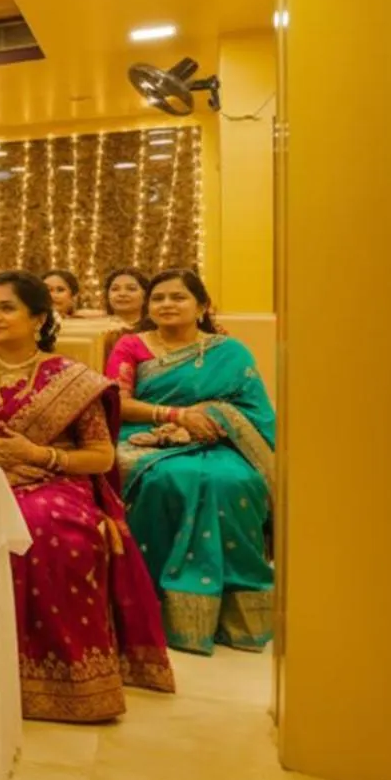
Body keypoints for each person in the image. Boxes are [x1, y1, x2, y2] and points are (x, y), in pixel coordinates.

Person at [0, 271, 173, 722]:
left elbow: (100, 457)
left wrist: (39, 455)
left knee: (43, 530)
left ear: (39, 317)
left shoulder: (71, 378)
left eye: (7, 308)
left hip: (54, 480)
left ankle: (58, 674)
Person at [107, 270, 277, 654]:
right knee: (171, 479)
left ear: (201, 306)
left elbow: (255, 411)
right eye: (159, 298)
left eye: (178, 297)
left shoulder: (229, 352)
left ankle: (235, 613)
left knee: (234, 483)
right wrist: (176, 417)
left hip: (218, 440)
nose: (166, 304)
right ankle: (153, 607)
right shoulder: (131, 346)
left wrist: (212, 418)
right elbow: (117, 403)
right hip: (143, 437)